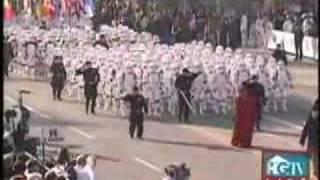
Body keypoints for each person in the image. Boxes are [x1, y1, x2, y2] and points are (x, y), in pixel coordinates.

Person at [231, 81, 259, 148]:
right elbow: (256, 106)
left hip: (242, 115)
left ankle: (236, 141)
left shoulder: (242, 94)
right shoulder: (252, 95)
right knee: (246, 130)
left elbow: (237, 103)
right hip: (247, 115)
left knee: (239, 128)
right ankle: (244, 143)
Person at [300, 98, 319, 180]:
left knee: (312, 160)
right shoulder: (313, 112)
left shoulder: (313, 112)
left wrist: (303, 138)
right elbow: (307, 125)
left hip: (313, 142)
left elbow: (307, 125)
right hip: (314, 142)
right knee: (312, 160)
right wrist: (303, 138)